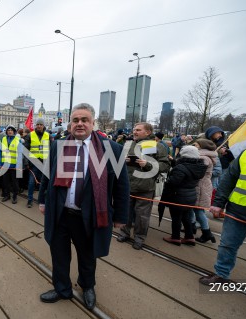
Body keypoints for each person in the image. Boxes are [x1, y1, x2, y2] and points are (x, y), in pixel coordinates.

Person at [38, 103, 129, 310]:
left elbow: (122, 187)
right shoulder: (57, 146)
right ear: (70, 123)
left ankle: (87, 286)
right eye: (76, 120)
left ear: (93, 123)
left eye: (84, 120)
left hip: (89, 215)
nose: (79, 124)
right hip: (60, 213)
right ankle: (62, 289)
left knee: (87, 255)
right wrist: (43, 200)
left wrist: (121, 217)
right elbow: (46, 175)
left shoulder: (112, 149)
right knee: (59, 254)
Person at [199, 144, 246, 285]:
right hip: (239, 209)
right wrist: (218, 203)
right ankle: (221, 275)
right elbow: (229, 178)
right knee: (227, 244)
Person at [117, 122, 170, 250]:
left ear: (148, 132)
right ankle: (124, 232)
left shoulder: (155, 146)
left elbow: (165, 166)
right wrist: (123, 161)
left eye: (138, 130)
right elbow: (118, 163)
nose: (135, 132)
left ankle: (139, 237)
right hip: (128, 185)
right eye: (134, 129)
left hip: (145, 187)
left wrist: (147, 164)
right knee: (126, 212)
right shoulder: (128, 144)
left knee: (142, 216)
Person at [162, 146, 207, 246]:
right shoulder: (198, 166)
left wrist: (166, 181)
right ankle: (189, 237)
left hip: (178, 196)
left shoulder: (181, 167)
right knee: (186, 217)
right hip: (191, 195)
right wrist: (174, 162)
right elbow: (186, 171)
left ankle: (175, 237)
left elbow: (174, 182)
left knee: (176, 217)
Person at [191, 139, 219, 243]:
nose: (195, 146)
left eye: (196, 145)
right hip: (203, 185)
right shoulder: (206, 157)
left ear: (202, 147)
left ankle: (205, 232)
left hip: (200, 186)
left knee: (197, 210)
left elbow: (196, 173)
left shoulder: (203, 158)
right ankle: (201, 230)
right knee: (198, 210)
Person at [24, 118, 51, 208]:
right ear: (36, 125)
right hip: (33, 163)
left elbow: (52, 150)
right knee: (31, 182)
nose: (39, 126)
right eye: (38, 124)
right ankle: (30, 200)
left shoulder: (48, 136)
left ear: (43, 126)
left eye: (41, 124)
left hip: (45, 163)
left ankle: (43, 200)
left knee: (44, 183)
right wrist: (26, 163)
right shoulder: (30, 135)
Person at [0, 125, 21, 203]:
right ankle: (7, 195)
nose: (9, 131)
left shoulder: (17, 140)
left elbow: (20, 153)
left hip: (14, 165)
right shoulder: (3, 139)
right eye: (8, 130)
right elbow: (0, 151)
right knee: (6, 181)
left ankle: (15, 196)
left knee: (15, 182)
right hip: (5, 164)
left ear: (14, 132)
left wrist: (18, 165)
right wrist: (1, 163)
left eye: (11, 130)